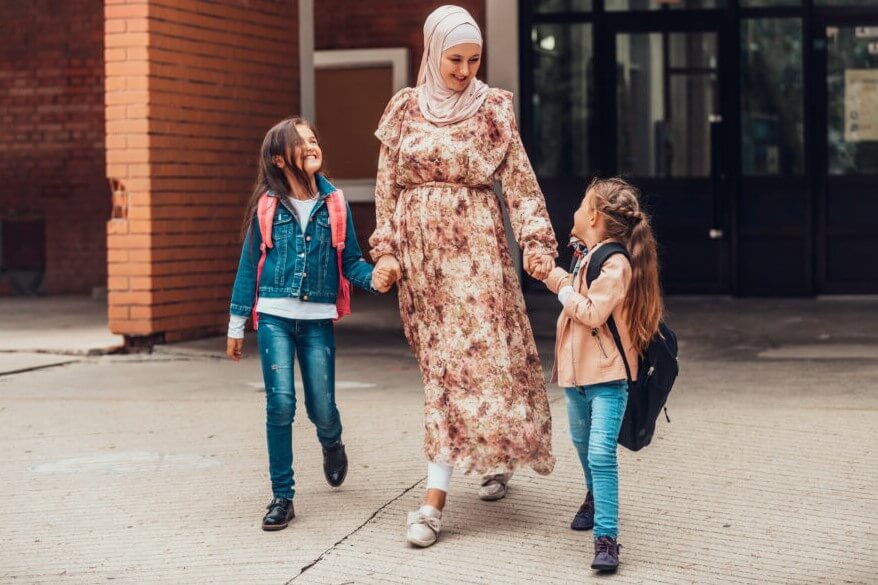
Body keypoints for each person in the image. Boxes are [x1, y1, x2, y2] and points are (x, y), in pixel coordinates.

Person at [368, 5, 559, 548]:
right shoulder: (404, 108)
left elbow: (521, 186)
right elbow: (387, 190)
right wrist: (385, 250)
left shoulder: (492, 108)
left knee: (472, 366)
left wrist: (537, 246)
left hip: (477, 257)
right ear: (432, 52)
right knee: (444, 370)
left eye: (474, 59)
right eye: (455, 59)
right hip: (422, 265)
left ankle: (433, 502)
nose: (464, 70)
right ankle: (486, 457)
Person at [227, 117, 395, 531]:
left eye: (314, 138)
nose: (312, 144)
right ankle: (282, 496)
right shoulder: (267, 206)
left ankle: (331, 440)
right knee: (281, 404)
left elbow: (350, 260)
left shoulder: (335, 203)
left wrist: (374, 278)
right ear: (280, 159)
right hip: (273, 318)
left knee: (322, 406)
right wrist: (236, 324)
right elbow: (250, 266)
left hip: (318, 318)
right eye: (301, 142)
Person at [541, 177, 663, 571]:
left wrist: (558, 281)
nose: (574, 211)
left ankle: (607, 539)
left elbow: (592, 313)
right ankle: (594, 498)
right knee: (580, 443)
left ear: (592, 216)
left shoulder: (616, 263)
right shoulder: (586, 254)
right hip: (576, 378)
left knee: (600, 453)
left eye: (580, 205)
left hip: (608, 380)